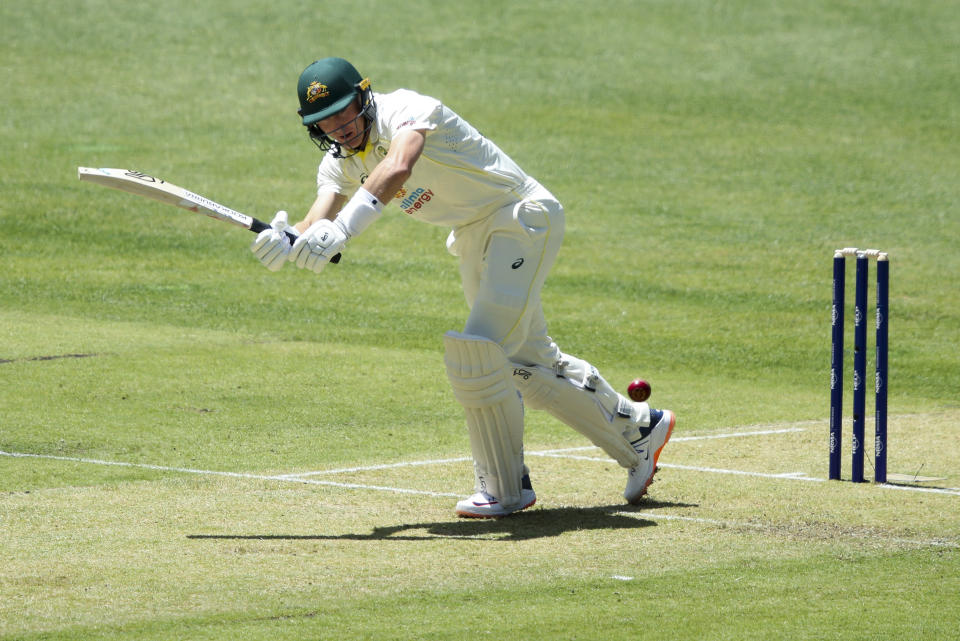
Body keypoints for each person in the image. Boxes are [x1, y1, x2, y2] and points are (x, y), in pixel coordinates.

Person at [251, 57, 676, 518]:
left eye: (343, 111)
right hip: (474, 237)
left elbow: (397, 167)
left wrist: (344, 232)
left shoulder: (407, 109)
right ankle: (638, 427)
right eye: (324, 121)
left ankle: (505, 489)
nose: (339, 127)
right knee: (525, 364)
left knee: (478, 353)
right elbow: (318, 217)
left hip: (519, 216)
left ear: (363, 95)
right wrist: (288, 239)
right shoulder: (338, 162)